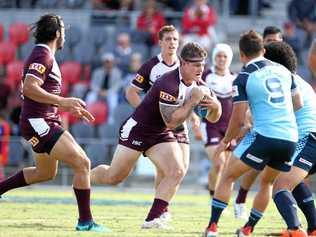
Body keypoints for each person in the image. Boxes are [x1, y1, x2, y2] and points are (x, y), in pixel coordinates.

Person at [91, 42, 222, 229]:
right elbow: (172, 121)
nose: (200, 69)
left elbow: (214, 118)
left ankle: (152, 219)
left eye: (202, 64)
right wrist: (192, 102)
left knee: (177, 171)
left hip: (160, 133)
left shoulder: (200, 84)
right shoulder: (168, 83)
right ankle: (84, 177)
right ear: (183, 63)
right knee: (114, 177)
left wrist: (216, 106)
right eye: (195, 64)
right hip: (139, 129)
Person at [0, 14, 108, 232]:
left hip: (41, 119)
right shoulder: (43, 55)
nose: (65, 37)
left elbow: (38, 93)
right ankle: (85, 222)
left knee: (45, 173)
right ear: (58, 33)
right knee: (83, 163)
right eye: (64, 32)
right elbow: (30, 88)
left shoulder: (43, 54)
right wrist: (63, 101)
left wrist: (66, 106)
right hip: (40, 122)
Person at [204, 30, 302, 237]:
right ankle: (247, 229)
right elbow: (298, 103)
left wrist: (226, 140)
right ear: (264, 50)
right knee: (267, 182)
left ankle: (212, 228)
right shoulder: (285, 71)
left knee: (228, 176)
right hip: (290, 138)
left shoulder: (244, 77)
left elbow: (238, 118)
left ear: (241, 55)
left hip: (265, 135)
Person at [125, 25, 201, 222]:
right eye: (168, 39)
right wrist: (145, 113)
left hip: (179, 122)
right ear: (160, 42)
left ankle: (161, 208)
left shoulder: (186, 66)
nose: (172, 43)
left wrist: (193, 117)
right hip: (158, 126)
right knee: (166, 169)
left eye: (175, 39)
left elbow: (190, 95)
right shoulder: (151, 66)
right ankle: (161, 212)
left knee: (180, 169)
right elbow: (131, 92)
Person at [262, 42, 316, 236]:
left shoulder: (281, 80)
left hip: (309, 139)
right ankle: (313, 227)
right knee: (292, 180)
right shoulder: (300, 81)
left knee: (280, 185)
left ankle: (294, 230)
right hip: (311, 139)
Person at [233, 26, 284, 219]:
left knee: (275, 176)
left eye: (275, 41)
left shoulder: (284, 66)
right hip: (262, 122)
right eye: (268, 41)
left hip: (284, 123)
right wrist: (247, 120)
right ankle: (241, 198)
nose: (272, 44)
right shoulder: (253, 69)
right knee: (255, 168)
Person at [201, 43, 235, 197]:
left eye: (225, 56)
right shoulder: (206, 75)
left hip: (230, 128)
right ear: (214, 57)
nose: (221, 59)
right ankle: (213, 196)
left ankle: (222, 199)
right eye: (218, 56)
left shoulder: (235, 78)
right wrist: (195, 120)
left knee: (228, 168)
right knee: (219, 163)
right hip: (210, 126)